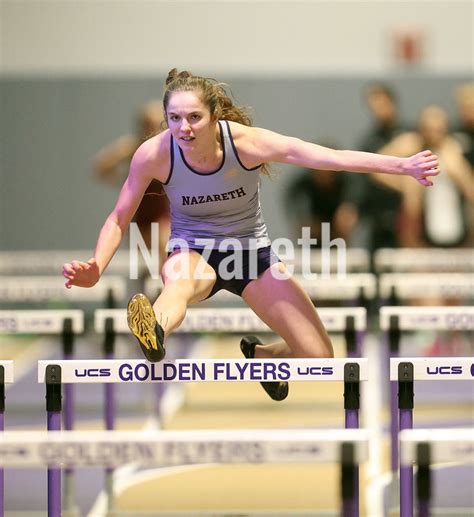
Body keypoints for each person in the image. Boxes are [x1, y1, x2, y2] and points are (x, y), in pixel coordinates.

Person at [63, 69, 440, 401]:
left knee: (320, 358)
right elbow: (118, 217)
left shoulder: (247, 144)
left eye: (194, 117)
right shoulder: (153, 154)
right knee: (178, 285)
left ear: (214, 116)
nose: (184, 128)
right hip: (192, 249)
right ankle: (154, 328)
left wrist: (402, 166)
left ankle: (264, 355)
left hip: (251, 254)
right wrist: (97, 266)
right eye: (174, 118)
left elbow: (328, 157)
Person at [372, 105, 473, 248]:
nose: (434, 135)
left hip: (452, 223)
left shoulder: (452, 150)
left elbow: (470, 190)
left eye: (439, 130)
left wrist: (458, 175)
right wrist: (405, 185)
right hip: (414, 218)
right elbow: (377, 170)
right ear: (421, 129)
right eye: (429, 130)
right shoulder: (409, 143)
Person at [93, 100, 171, 260]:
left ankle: (167, 283)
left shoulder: (169, 147)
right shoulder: (133, 147)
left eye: (160, 124)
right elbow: (101, 167)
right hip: (140, 215)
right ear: (142, 126)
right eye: (150, 124)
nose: (155, 129)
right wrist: (127, 181)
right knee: (143, 264)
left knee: (164, 247)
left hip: (164, 214)